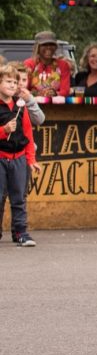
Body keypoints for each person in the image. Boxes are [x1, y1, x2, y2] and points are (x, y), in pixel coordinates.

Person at [0, 63, 45, 246]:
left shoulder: (21, 107)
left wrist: (31, 159)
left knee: (19, 198)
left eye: (14, 82)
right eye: (8, 81)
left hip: (18, 157)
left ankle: (21, 233)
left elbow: (28, 134)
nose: (12, 85)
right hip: (1, 156)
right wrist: (4, 130)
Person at [24, 31, 70, 97]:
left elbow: (65, 91)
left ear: (55, 47)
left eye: (51, 44)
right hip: (33, 102)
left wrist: (55, 93)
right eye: (44, 44)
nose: (48, 47)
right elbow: (23, 88)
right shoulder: (29, 64)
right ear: (38, 47)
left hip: (56, 103)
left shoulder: (63, 65)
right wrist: (37, 94)